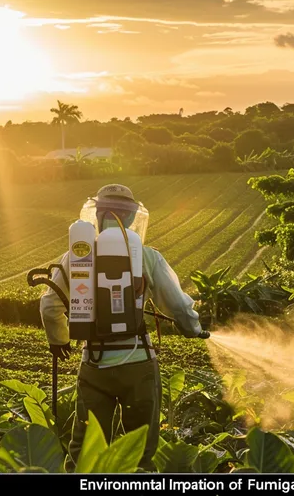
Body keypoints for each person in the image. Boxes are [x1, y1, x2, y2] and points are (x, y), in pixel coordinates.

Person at [39, 183, 209, 471]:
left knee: (86, 453)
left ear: (96, 215)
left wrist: (59, 339)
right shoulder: (146, 256)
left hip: (94, 364)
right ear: (132, 218)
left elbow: (48, 305)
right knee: (139, 452)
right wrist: (193, 329)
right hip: (139, 366)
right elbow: (178, 305)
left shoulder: (77, 256)